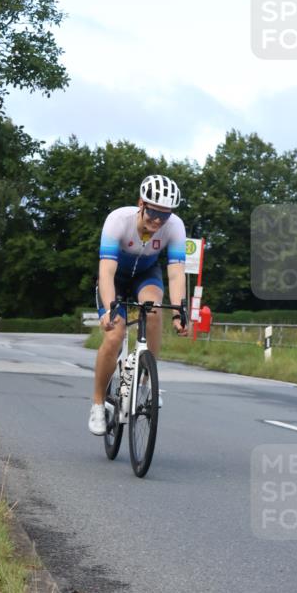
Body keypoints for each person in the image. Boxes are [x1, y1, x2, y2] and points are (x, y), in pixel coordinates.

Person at [88, 175, 188, 436]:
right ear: (141, 203)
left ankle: (145, 385)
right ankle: (98, 404)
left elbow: (176, 273)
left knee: (154, 310)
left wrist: (179, 312)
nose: (157, 221)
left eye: (164, 216)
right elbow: (107, 272)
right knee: (114, 335)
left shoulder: (175, 226)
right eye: (153, 212)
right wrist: (109, 311)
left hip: (146, 274)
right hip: (116, 277)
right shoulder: (117, 221)